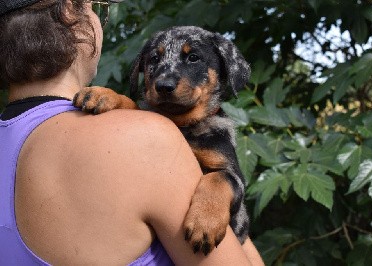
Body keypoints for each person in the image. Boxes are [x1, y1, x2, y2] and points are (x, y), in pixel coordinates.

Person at [0, 0, 265, 265]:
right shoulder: (148, 138)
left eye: (193, 58)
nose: (165, 79)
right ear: (72, 11)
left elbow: (231, 194)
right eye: (97, 8)